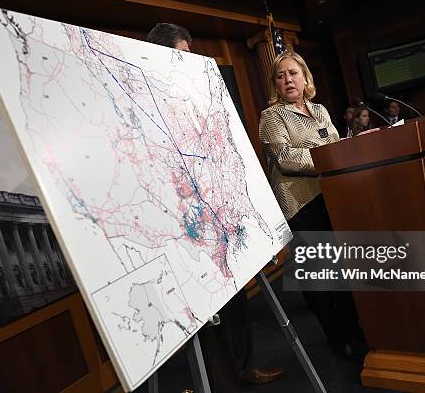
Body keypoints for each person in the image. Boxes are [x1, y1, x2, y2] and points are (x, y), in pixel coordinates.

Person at [146, 23, 284, 391]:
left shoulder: (196, 94)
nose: (189, 62)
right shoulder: (148, 99)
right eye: (182, 54)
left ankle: (244, 367)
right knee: (206, 314)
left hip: (220, 213)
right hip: (185, 226)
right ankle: (221, 382)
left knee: (236, 301)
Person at [259, 51, 365, 361]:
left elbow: (335, 143)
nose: (288, 79)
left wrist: (338, 153)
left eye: (293, 73)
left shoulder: (320, 110)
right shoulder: (272, 116)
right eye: (281, 76)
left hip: (333, 196)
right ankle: (337, 339)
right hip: (301, 204)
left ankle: (353, 329)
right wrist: (330, 156)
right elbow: (286, 158)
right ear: (276, 85)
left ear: (306, 78)